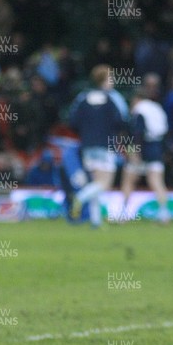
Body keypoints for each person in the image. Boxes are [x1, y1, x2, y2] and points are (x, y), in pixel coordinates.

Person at [68, 64, 126, 226]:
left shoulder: (83, 97)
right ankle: (80, 197)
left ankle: (96, 221)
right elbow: (121, 121)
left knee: (95, 182)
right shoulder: (112, 98)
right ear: (105, 79)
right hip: (106, 145)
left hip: (87, 146)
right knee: (104, 183)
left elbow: (72, 121)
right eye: (111, 78)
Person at [120, 89, 170, 223]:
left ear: (136, 99)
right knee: (157, 181)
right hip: (156, 148)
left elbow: (138, 133)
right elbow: (165, 131)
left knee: (128, 180)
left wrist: (135, 152)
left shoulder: (140, 110)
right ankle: (164, 214)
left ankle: (123, 213)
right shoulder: (157, 108)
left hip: (142, 148)